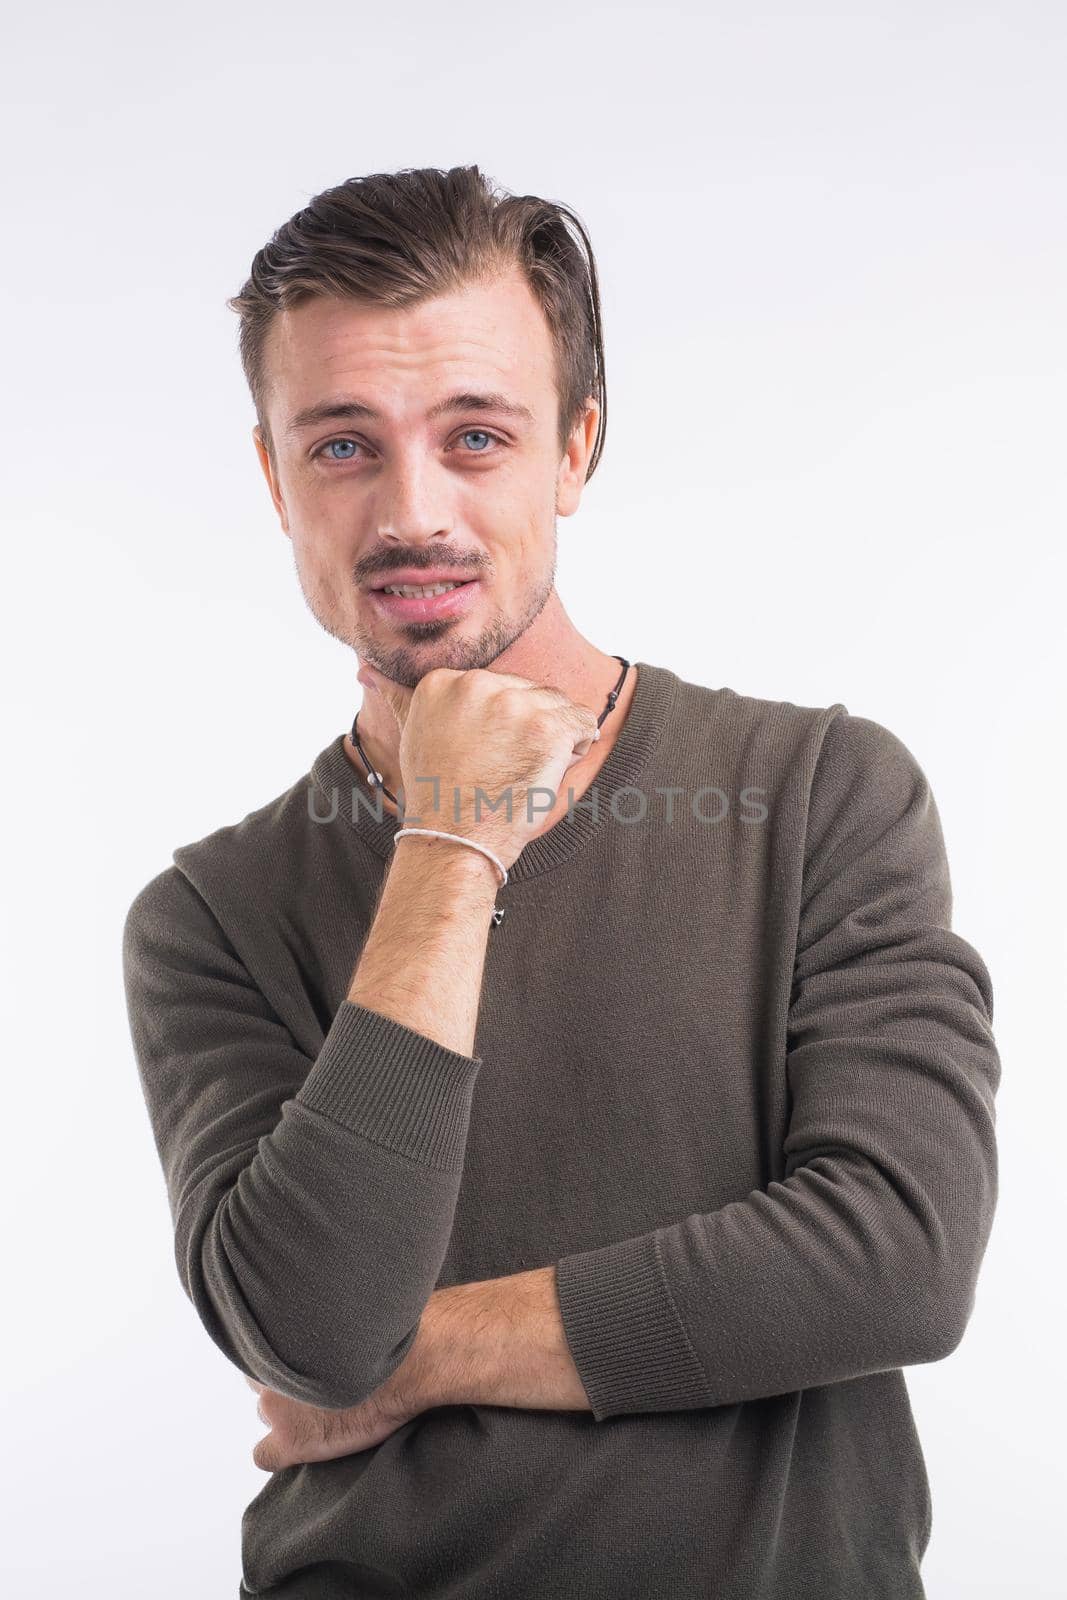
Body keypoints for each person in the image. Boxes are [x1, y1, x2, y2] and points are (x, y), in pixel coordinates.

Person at [121, 164, 1000, 1600]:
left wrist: (425, 1358)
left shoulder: (820, 794)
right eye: (344, 446)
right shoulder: (210, 915)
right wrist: (449, 849)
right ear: (276, 480)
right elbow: (314, 1330)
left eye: (476, 435)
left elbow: (896, 1256)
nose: (415, 511)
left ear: (574, 452)